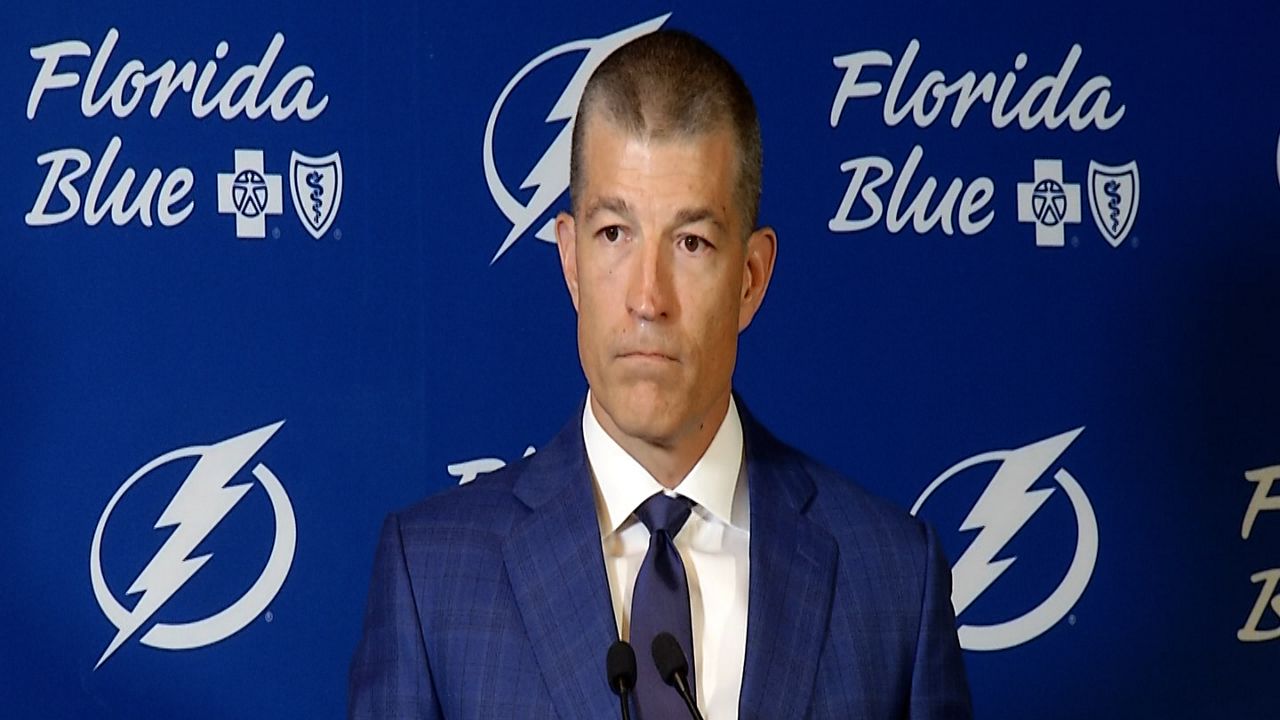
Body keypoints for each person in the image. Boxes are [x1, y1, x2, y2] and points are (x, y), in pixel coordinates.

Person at [349, 29, 972, 720]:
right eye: (614, 234)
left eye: (692, 242)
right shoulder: (431, 577)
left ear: (751, 278)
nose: (648, 298)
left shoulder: (892, 580)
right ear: (570, 259)